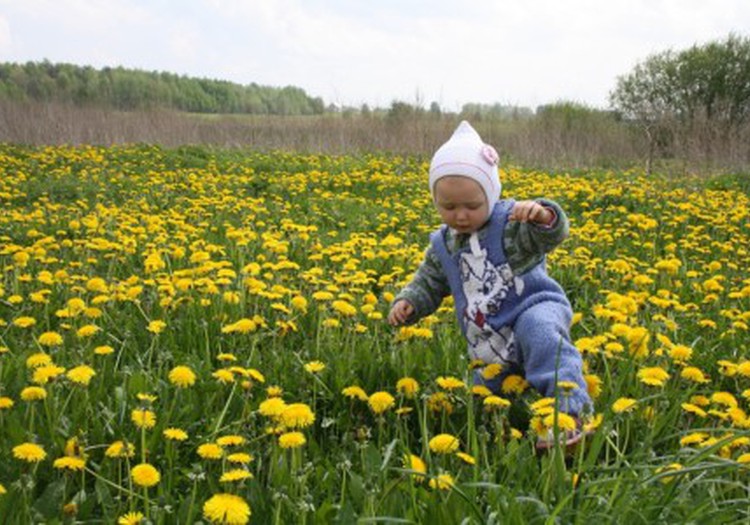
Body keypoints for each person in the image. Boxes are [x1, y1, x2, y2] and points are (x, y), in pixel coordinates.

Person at [387, 121, 592, 449]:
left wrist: (542, 217)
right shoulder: (443, 245)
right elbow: (429, 281)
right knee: (483, 392)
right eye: (449, 207)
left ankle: (571, 412)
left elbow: (552, 235)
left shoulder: (510, 223)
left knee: (540, 336)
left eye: (472, 205)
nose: (461, 216)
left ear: (491, 194)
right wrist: (410, 302)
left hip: (531, 307)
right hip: (489, 335)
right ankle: (497, 439)